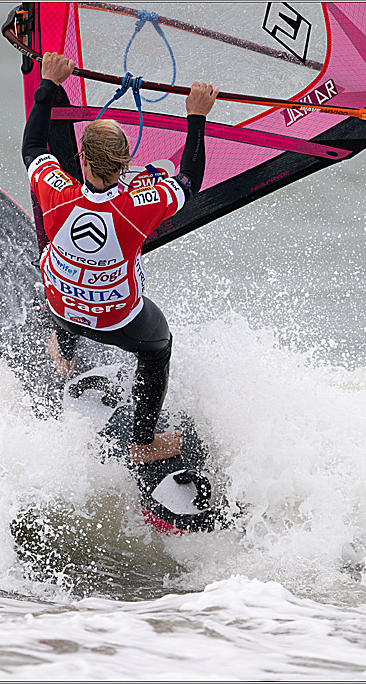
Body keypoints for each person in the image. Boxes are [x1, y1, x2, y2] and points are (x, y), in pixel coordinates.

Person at [22, 52, 217, 465]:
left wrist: (49, 85)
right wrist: (196, 115)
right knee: (157, 347)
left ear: (82, 161)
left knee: (65, 278)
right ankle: (143, 442)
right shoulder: (138, 206)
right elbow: (189, 180)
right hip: (116, 320)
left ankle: (64, 351)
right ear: (126, 163)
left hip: (59, 303)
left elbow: (34, 147)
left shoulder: (56, 191)